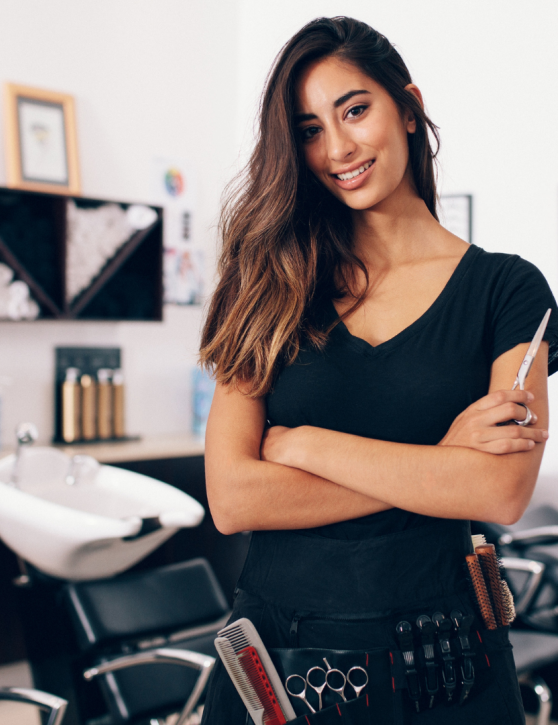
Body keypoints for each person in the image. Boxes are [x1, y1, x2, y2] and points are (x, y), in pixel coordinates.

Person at [199, 16, 558, 724]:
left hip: (446, 661)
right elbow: (235, 495)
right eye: (308, 129)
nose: (337, 148)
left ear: (407, 104)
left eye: (354, 109)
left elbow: (498, 488)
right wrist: (438, 467)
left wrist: (303, 445)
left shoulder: (509, 291)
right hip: (281, 659)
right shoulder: (268, 279)